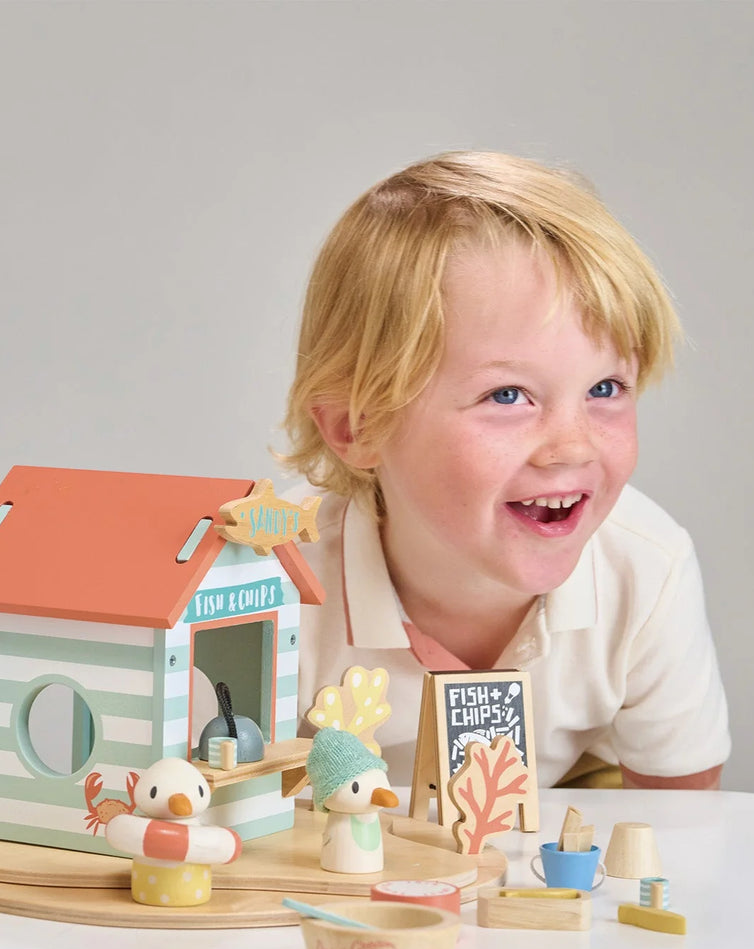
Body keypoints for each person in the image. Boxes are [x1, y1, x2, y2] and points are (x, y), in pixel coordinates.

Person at [280, 151, 730, 790]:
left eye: (605, 387)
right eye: (508, 396)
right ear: (358, 426)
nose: (570, 447)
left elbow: (682, 827)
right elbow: (212, 807)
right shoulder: (272, 586)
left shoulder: (644, 567)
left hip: (556, 840)